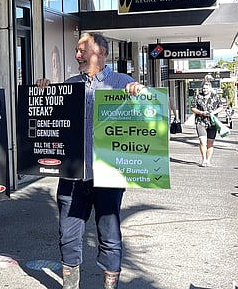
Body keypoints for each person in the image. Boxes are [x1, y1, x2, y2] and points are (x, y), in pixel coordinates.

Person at [36, 32, 144, 289]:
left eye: (82, 50)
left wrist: (141, 93)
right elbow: (52, 122)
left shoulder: (122, 83)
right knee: (68, 236)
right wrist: (44, 93)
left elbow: (150, 114)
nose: (77, 55)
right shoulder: (69, 85)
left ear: (101, 52)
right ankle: (70, 285)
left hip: (108, 175)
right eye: (77, 50)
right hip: (72, 176)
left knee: (109, 236)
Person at [190, 75, 223, 167]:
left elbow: (221, 107)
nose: (205, 90)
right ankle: (204, 159)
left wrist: (213, 112)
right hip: (200, 121)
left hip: (212, 122)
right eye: (203, 88)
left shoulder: (215, 97)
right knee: (202, 140)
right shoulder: (197, 97)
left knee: (210, 142)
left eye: (206, 88)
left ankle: (208, 160)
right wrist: (201, 112)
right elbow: (192, 108)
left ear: (210, 88)